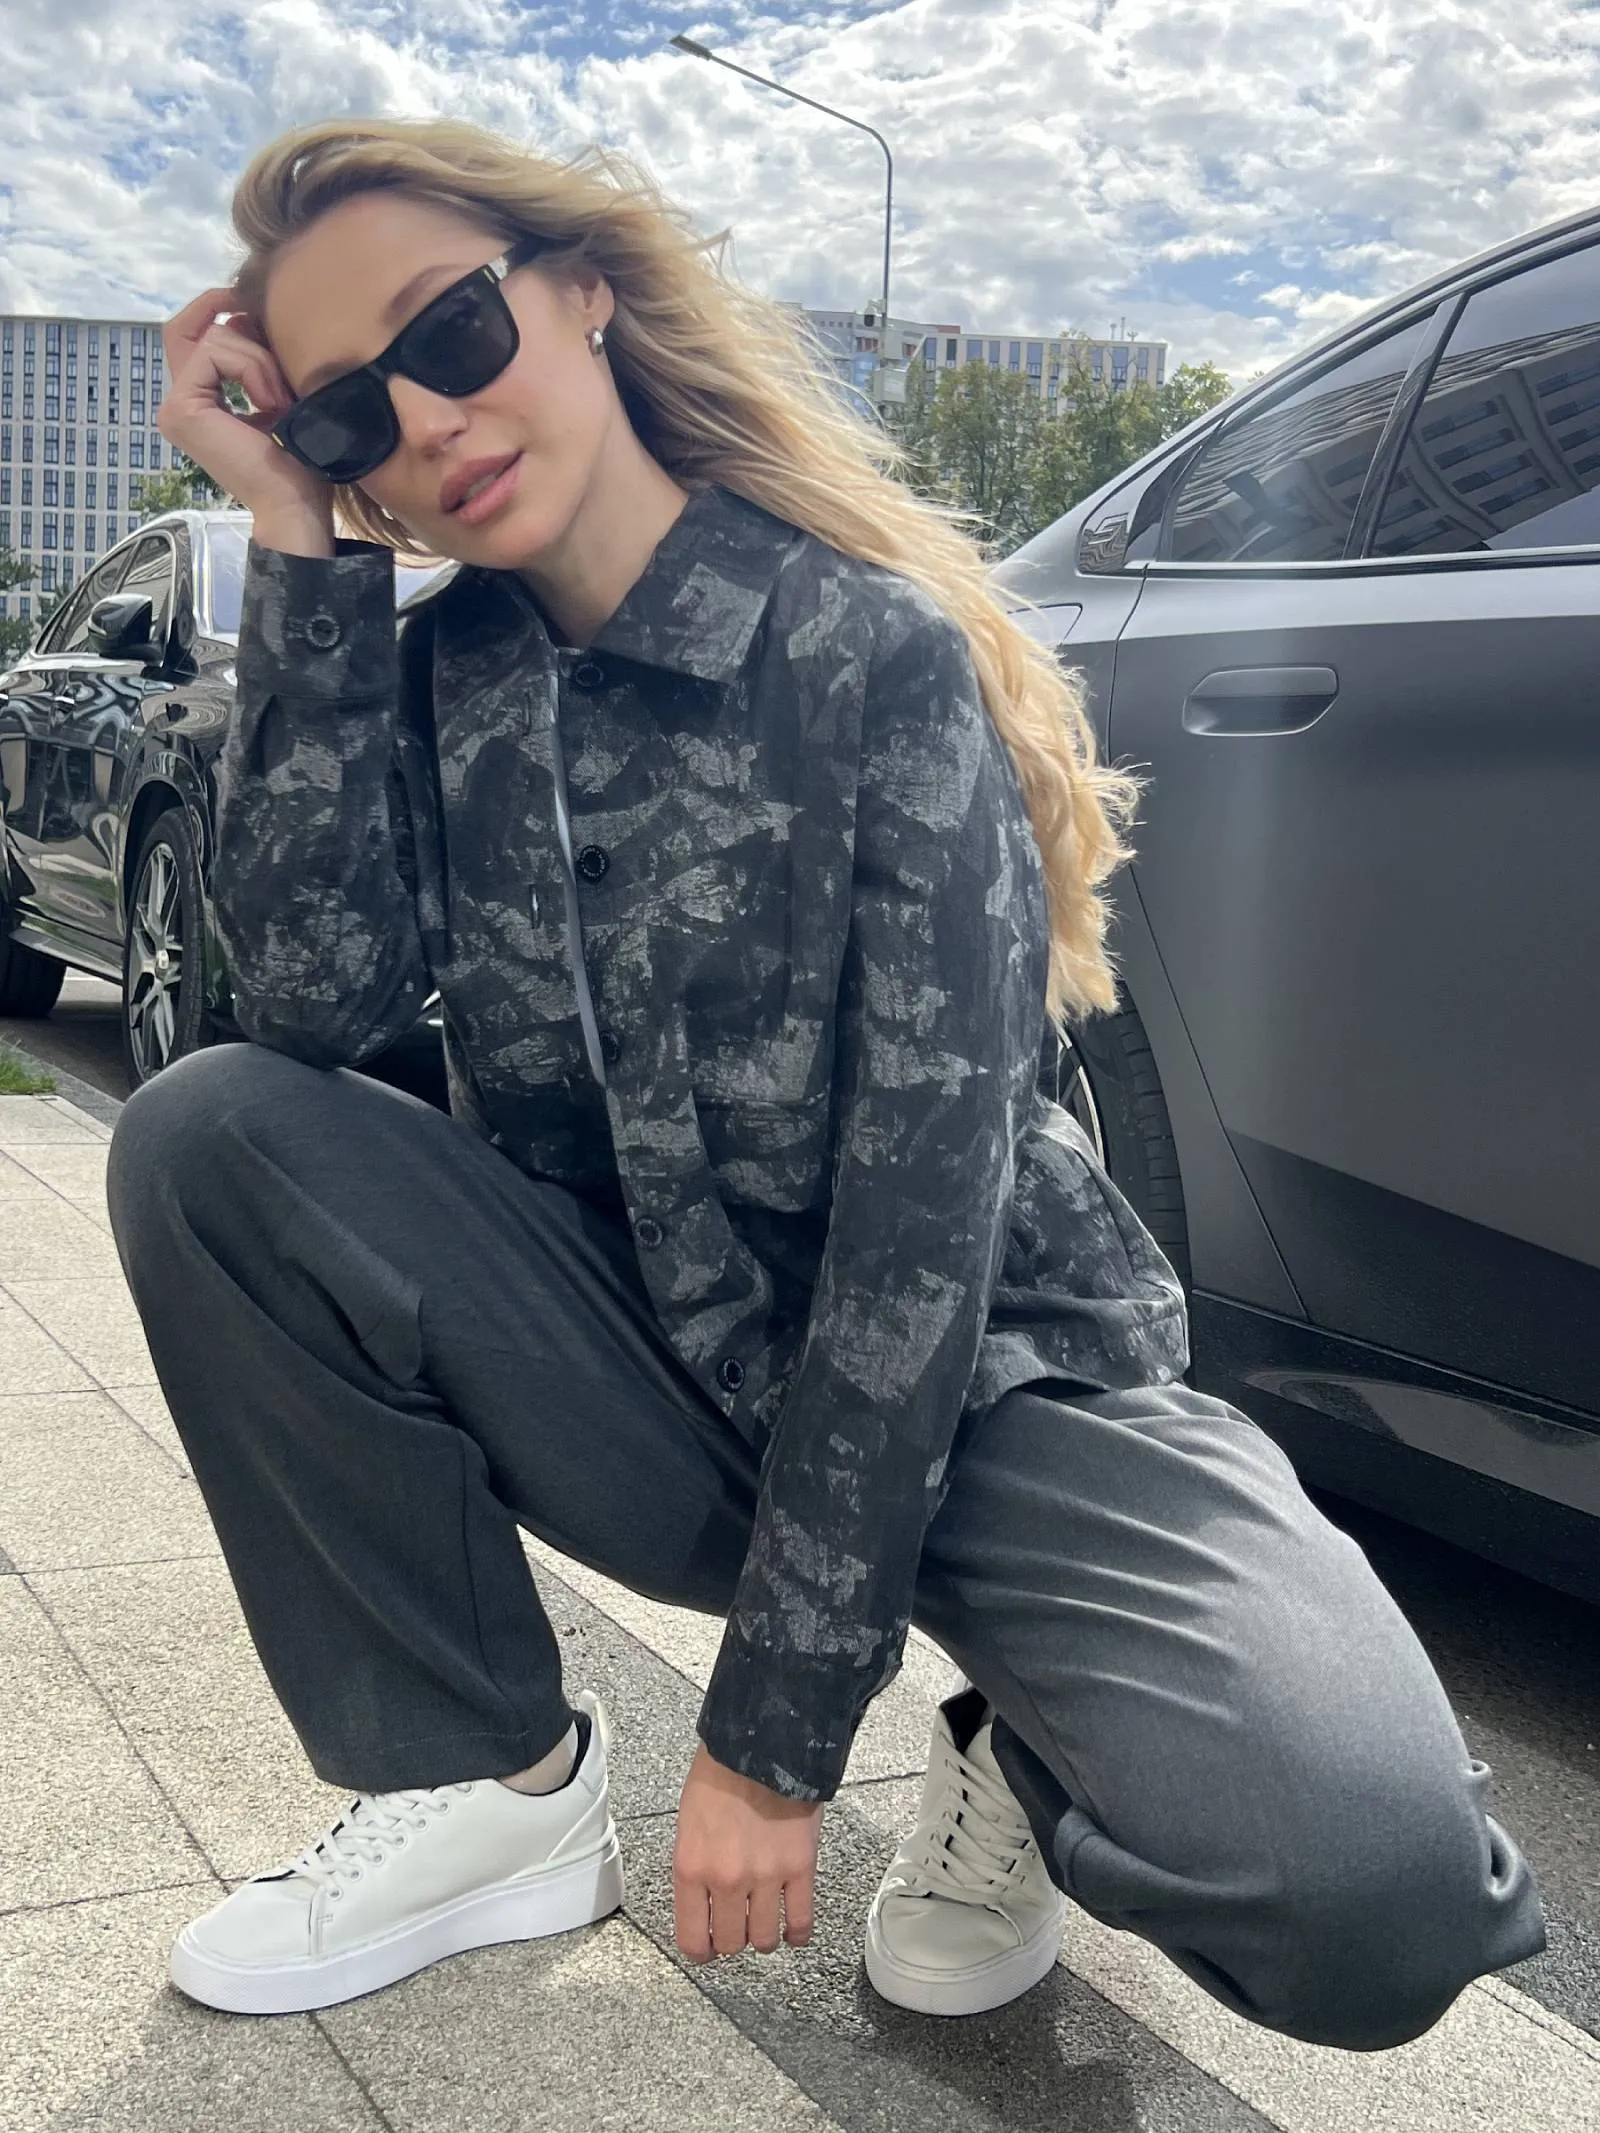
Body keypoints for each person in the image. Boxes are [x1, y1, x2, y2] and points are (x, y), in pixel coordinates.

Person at [109, 112, 1544, 2036]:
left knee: (1376, 1901)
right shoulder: (434, 680)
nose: (427, 422)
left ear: (583, 292)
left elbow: (922, 1226)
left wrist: (773, 1740)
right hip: (663, 1372)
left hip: (1003, 1387)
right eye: (356, 412)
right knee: (206, 1136)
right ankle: (492, 1787)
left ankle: (1019, 1744)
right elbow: (298, 1024)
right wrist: (298, 535)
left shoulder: (867, 652)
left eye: (451, 332)